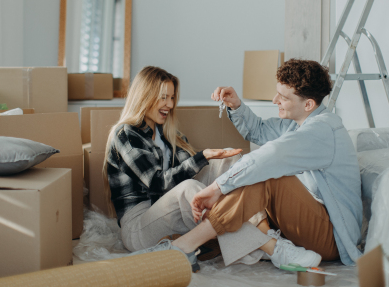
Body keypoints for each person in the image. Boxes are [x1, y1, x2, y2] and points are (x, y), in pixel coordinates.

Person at [132, 59, 363, 268]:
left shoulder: (323, 131)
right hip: (310, 221)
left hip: (333, 237)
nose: (275, 101)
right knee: (253, 173)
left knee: (268, 175)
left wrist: (217, 188)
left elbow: (269, 156)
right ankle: (264, 243)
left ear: (308, 105)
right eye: (277, 93)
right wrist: (235, 105)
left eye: (283, 97)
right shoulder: (297, 123)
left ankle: (183, 247)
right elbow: (260, 130)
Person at [103, 66, 242, 272]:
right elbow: (158, 183)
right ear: (144, 97)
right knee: (189, 187)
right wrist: (201, 156)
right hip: (139, 226)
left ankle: (245, 222)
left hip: (167, 210)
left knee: (230, 158)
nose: (169, 104)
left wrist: (211, 160)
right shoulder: (126, 135)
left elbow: (189, 172)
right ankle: (261, 244)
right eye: (163, 97)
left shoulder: (168, 132)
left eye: (172, 97)